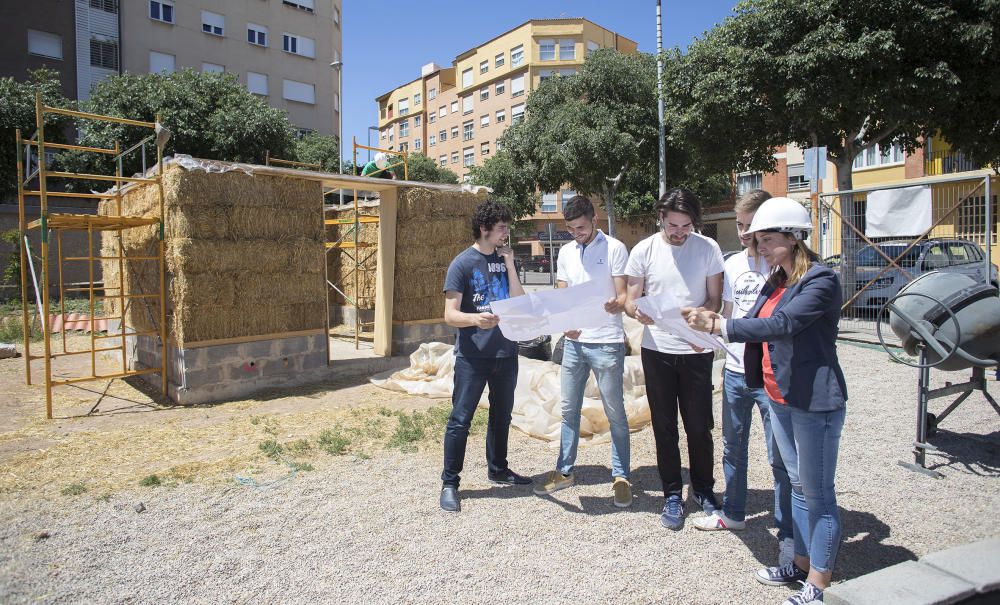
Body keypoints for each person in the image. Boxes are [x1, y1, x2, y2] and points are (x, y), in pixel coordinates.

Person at [682, 196, 848, 605]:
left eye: (768, 240)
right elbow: (755, 319)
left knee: (818, 494)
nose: (760, 249)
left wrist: (720, 324)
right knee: (796, 486)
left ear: (794, 238)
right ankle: (800, 563)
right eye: (757, 240)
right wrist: (716, 321)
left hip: (813, 402)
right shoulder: (778, 278)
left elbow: (781, 324)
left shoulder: (821, 281)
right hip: (780, 395)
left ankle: (818, 585)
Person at [693, 190, 796, 567]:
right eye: (739, 225)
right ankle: (734, 511)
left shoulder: (783, 266)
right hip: (736, 370)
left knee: (780, 456)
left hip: (770, 375)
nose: (744, 233)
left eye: (750, 226)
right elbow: (729, 311)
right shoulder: (733, 263)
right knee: (733, 447)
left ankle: (787, 533)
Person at [624, 188, 724, 530]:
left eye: (686, 226)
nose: (679, 232)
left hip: (696, 348)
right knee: (664, 426)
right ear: (661, 219)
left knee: (700, 426)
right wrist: (638, 312)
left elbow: (715, 299)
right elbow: (630, 299)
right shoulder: (644, 250)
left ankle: (704, 488)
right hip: (657, 350)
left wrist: (702, 314)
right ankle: (671, 493)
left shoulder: (708, 248)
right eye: (673, 226)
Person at [532, 196, 632, 507]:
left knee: (614, 411)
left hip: (606, 340)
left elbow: (623, 293)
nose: (577, 233)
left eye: (582, 228)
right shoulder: (565, 252)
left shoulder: (615, 248)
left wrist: (615, 303)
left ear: (595, 219)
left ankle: (621, 476)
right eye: (572, 229)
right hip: (574, 343)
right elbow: (564, 296)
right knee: (568, 410)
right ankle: (564, 471)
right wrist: (566, 322)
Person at [440, 199, 530, 513]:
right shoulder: (462, 263)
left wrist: (508, 264)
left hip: (506, 352)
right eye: (502, 227)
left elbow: (519, 303)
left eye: (507, 226)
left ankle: (498, 469)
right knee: (460, 420)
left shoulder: (507, 259)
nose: (507, 232)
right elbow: (450, 315)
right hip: (472, 356)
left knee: (502, 415)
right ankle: (450, 482)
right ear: (484, 229)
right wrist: (476, 319)